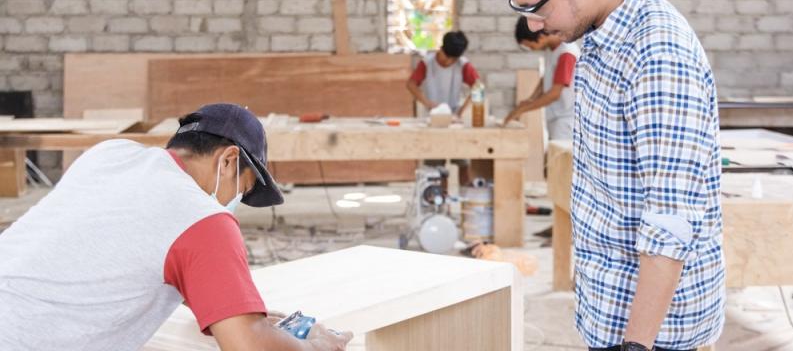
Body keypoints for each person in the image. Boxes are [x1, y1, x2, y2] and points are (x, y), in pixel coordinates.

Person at [487, 0, 725, 351]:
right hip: (610, 311)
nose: (532, 24)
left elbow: (671, 221)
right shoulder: (599, 34)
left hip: (654, 334)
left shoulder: (658, 54)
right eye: (520, 8)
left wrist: (635, 344)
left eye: (536, 8)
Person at [0, 103, 352, 351]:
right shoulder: (203, 219)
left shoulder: (109, 154)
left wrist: (220, 300)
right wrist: (312, 345)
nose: (232, 203)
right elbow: (249, 348)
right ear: (228, 160)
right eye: (240, 189)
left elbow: (115, 241)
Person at [504, 16, 580, 141]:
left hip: (566, 120)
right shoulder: (551, 49)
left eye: (530, 46)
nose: (531, 49)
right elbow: (547, 78)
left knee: (559, 158)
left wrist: (523, 109)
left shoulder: (566, 53)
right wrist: (531, 98)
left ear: (541, 37)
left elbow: (554, 94)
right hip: (556, 117)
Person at [406, 31, 480, 117]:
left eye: (453, 60)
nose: (449, 62)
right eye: (447, 57)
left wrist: (461, 111)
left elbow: (478, 87)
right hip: (430, 114)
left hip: (453, 115)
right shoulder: (427, 62)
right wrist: (427, 103)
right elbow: (411, 84)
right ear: (441, 49)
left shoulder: (463, 64)